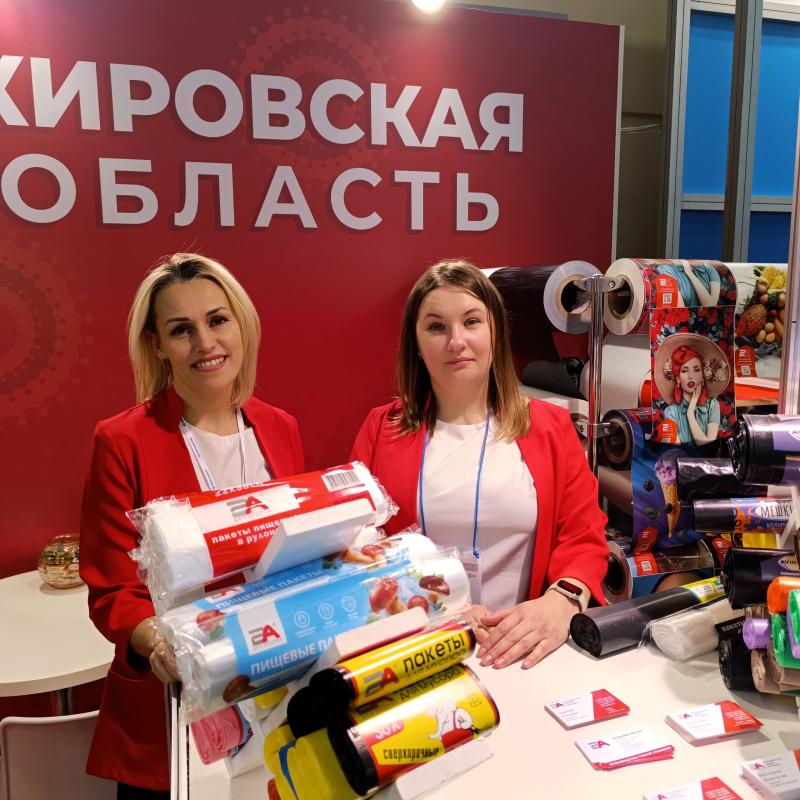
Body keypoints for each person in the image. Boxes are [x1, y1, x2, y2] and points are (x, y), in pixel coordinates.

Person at [79, 253, 304, 798]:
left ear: (241, 324)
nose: (205, 342)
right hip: (175, 707)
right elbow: (112, 589)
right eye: (181, 329)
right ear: (157, 344)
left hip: (279, 692)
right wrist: (158, 641)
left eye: (217, 320)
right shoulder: (122, 441)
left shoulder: (280, 428)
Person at [350, 259, 608, 671]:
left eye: (471, 322)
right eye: (437, 327)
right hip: (420, 649)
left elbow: (583, 536)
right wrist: (437, 606)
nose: (456, 341)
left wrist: (563, 600)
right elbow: (357, 548)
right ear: (416, 343)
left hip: (526, 653)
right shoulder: (381, 429)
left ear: (495, 333)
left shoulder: (550, 427)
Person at [660, 343, 723, 446]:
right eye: (685, 371)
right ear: (678, 379)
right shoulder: (671, 412)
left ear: (702, 376)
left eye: (696, 370)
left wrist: (690, 413)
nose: (691, 376)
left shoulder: (713, 405)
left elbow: (707, 446)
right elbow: (677, 451)